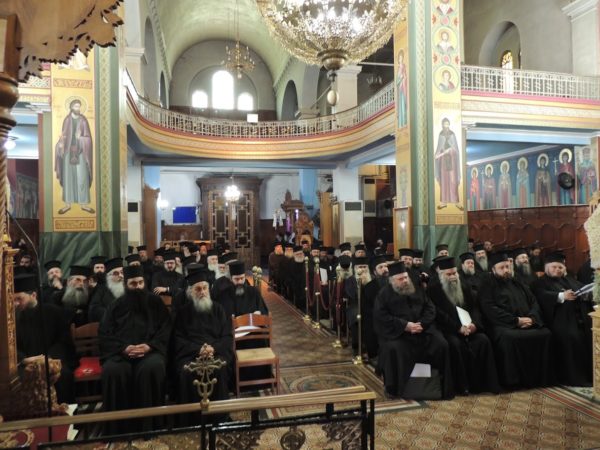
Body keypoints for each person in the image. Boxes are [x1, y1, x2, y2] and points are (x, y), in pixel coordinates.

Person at [99, 265, 172, 434]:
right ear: (126, 284)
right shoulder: (115, 306)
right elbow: (105, 333)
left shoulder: (155, 302)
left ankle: (150, 425)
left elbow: (166, 328)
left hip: (150, 352)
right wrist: (123, 348)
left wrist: (149, 346)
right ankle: (119, 429)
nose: (138, 287)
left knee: (152, 368)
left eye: (140, 282)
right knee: (113, 371)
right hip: (121, 354)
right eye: (133, 283)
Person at [373, 262, 454, 399]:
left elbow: (430, 308)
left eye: (406, 277)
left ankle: (441, 387)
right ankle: (397, 389)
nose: (405, 281)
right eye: (401, 279)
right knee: (394, 349)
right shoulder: (384, 294)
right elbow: (382, 316)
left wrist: (422, 324)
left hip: (423, 331)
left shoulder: (417, 288)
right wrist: (405, 325)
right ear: (392, 281)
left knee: (441, 344)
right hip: (400, 334)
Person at [478, 253, 553, 388]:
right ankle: (514, 382)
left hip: (527, 321)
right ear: (493, 269)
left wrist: (532, 318)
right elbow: (490, 309)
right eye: (502, 268)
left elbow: (533, 301)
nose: (506, 270)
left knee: (545, 333)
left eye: (507, 266)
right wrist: (516, 321)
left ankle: (541, 379)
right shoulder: (487, 285)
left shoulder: (517, 282)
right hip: (503, 325)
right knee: (510, 338)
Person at [427, 257, 500, 395]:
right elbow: (438, 313)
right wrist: (457, 328)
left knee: (483, 340)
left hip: (468, 327)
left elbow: (475, 308)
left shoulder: (464, 285)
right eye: (449, 274)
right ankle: (462, 386)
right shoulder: (433, 289)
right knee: (455, 344)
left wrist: (474, 324)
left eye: (455, 273)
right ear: (441, 274)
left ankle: (484, 384)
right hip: (448, 329)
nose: (453, 277)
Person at [172, 270, 232, 425]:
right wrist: (198, 350)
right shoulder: (183, 313)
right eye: (198, 289)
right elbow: (178, 340)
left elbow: (226, 336)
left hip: (215, 353)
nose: (202, 292)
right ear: (191, 292)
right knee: (186, 372)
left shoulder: (218, 309)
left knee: (220, 368)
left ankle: (219, 417)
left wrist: (213, 349)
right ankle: (190, 420)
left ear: (209, 289)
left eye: (205, 288)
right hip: (191, 354)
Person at [531, 253, 593, 386]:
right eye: (554, 267)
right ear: (547, 268)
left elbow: (583, 289)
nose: (557, 270)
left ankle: (592, 375)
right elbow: (542, 296)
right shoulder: (539, 282)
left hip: (578, 320)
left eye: (560, 267)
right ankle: (575, 378)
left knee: (590, 335)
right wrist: (561, 296)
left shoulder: (570, 280)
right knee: (573, 337)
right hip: (558, 321)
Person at [14, 273, 77, 404]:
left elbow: (63, 341)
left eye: (19, 298)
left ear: (33, 295)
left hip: (53, 359)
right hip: (26, 363)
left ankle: (63, 413)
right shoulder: (11, 319)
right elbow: (9, 346)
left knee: (62, 375)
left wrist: (47, 358)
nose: (16, 303)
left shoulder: (53, 312)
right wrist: (23, 359)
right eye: (13, 299)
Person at [54, 98, 94, 215]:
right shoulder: (67, 120)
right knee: (68, 178)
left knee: (82, 177)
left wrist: (80, 138)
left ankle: (84, 204)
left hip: (80, 152)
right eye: (76, 106)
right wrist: (60, 144)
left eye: (79, 106)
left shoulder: (83, 121)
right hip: (68, 152)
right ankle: (67, 204)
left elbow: (88, 139)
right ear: (71, 107)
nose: (78, 108)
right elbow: (63, 137)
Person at [434, 118, 461, 210]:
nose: (446, 126)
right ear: (442, 125)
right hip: (443, 161)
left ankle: (455, 201)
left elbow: (456, 149)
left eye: (448, 124)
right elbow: (439, 147)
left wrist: (450, 150)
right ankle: (444, 202)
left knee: (453, 181)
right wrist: (439, 153)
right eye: (445, 124)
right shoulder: (441, 135)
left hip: (452, 159)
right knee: (444, 181)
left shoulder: (452, 134)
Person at [88, 257, 124, 323]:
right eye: (116, 273)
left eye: (122, 272)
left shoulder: (129, 288)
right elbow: (94, 309)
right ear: (108, 276)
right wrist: (112, 313)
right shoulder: (101, 290)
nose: (121, 275)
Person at [396, 49, 408, 128]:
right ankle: (400, 124)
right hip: (400, 88)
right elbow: (397, 80)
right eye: (399, 58)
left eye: (401, 57)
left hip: (404, 87)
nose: (400, 59)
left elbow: (405, 76)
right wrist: (400, 78)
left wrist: (404, 77)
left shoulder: (403, 66)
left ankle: (404, 122)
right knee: (400, 106)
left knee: (403, 104)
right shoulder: (398, 68)